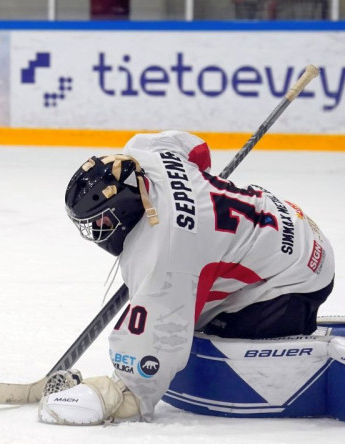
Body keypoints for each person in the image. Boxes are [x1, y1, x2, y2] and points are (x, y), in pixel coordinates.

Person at [39, 130, 336, 424]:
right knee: (191, 294)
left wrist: (117, 392)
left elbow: (154, 349)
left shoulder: (165, 252)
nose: (96, 233)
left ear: (127, 207)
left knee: (186, 317)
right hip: (295, 225)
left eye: (101, 222)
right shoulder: (146, 151)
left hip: (295, 278)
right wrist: (190, 189)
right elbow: (196, 149)